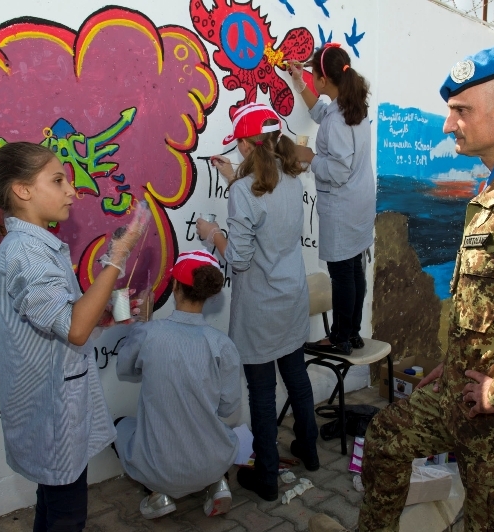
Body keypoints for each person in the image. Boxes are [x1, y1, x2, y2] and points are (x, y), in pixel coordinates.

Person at [314, 47, 494, 532]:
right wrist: (455, 365)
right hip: (463, 388)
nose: (448, 126)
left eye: (460, 111)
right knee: (388, 437)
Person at [0, 141, 149, 531]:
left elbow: (66, 318)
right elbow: (74, 329)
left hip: (49, 408)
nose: (72, 190)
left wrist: (101, 315)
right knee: (67, 515)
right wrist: (118, 255)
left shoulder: (34, 246)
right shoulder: (28, 253)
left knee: (51, 501)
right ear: (23, 190)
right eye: (58, 180)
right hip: (51, 414)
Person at [195, 103, 319, 501]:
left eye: (240, 145)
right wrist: (234, 181)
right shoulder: (292, 182)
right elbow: (264, 203)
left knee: (262, 393)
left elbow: (240, 258)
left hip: (261, 307)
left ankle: (267, 476)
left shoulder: (244, 193)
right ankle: (310, 451)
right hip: (292, 297)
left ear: (248, 146)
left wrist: (213, 233)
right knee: (296, 376)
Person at [114, 250, 242, 518]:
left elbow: (124, 369)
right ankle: (217, 483)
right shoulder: (223, 345)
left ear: (174, 287)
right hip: (213, 461)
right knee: (218, 431)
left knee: (120, 427)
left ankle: (157, 494)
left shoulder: (149, 334)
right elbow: (228, 407)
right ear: (209, 295)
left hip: (160, 469)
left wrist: (140, 327)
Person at [288, 43, 376, 356]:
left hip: (343, 206)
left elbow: (337, 170)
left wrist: (309, 157)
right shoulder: (350, 107)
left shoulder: (339, 120)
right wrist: (298, 81)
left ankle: (339, 337)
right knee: (353, 270)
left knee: (342, 275)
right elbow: (320, 112)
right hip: (358, 204)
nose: (310, 79)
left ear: (324, 80)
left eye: (312, 75)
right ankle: (351, 333)